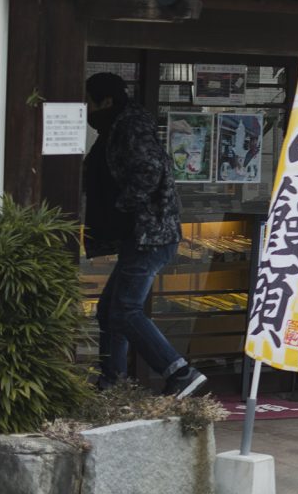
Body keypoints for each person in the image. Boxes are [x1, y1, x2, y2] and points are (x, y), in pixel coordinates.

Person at [83, 73, 207, 396]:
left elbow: (149, 169)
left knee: (124, 309)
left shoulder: (129, 126)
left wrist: (123, 205)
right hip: (144, 235)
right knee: (110, 309)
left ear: (106, 101)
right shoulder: (119, 125)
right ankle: (113, 384)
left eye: (89, 101)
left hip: (151, 235)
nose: (87, 109)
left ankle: (179, 371)